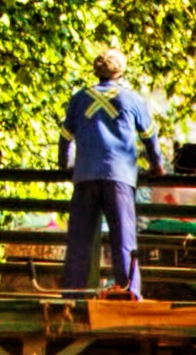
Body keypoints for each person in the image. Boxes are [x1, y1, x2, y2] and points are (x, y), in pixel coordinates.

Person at [60, 47, 158, 295]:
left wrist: (65, 165)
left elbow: (65, 138)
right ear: (121, 71)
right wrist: (157, 165)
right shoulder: (132, 99)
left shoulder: (80, 98)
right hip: (120, 176)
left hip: (85, 176)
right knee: (123, 236)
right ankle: (129, 289)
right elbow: (149, 138)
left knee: (80, 238)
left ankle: (73, 291)